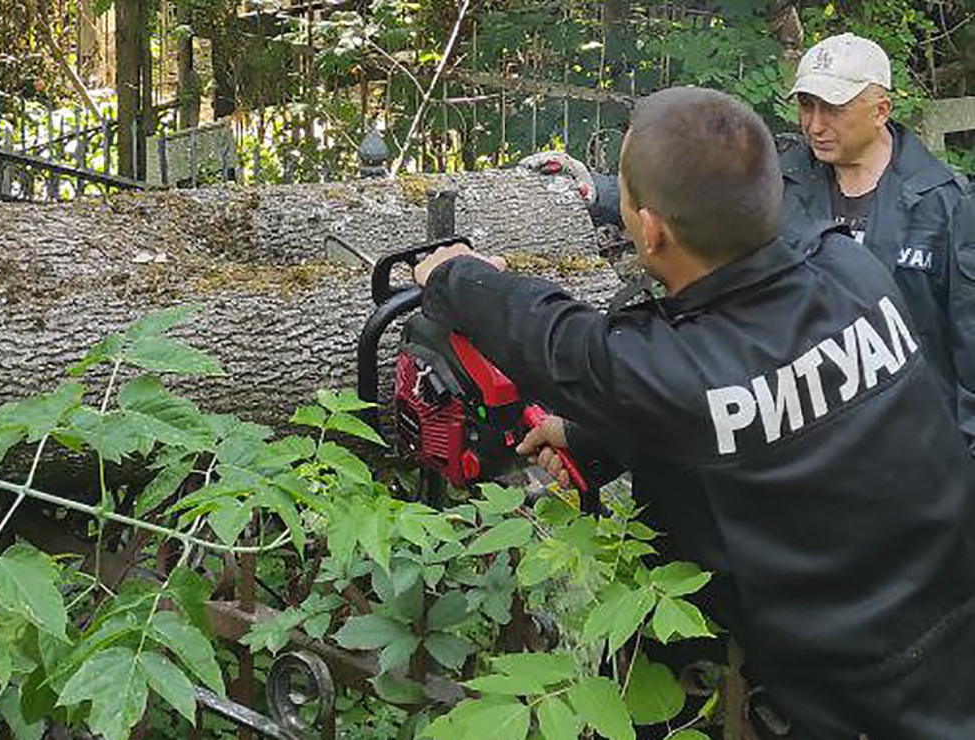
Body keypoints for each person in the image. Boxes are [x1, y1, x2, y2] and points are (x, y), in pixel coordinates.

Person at [415, 87, 975, 739]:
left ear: (650, 229)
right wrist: (587, 435)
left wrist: (455, 276)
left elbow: (564, 343)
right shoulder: (851, 268)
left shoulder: (681, 377)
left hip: (870, 698)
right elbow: (757, 397)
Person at [523, 33, 975, 450]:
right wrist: (596, 192)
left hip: (909, 448)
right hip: (795, 434)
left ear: (881, 110)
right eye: (806, 105)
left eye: (833, 108)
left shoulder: (948, 206)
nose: (814, 125)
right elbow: (694, 203)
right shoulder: (779, 179)